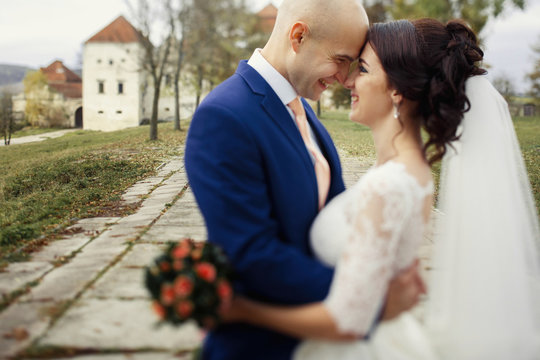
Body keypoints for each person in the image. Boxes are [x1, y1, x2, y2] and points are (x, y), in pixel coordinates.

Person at [222, 18, 540, 360]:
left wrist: (242, 312)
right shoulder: (406, 172)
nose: (348, 81)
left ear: (396, 89)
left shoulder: (389, 186)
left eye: (363, 69)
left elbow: (346, 323)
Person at [184, 1, 426, 359]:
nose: (346, 79)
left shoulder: (307, 117)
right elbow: (251, 255)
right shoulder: (224, 116)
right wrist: (371, 299)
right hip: (261, 347)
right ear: (298, 36)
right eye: (341, 59)